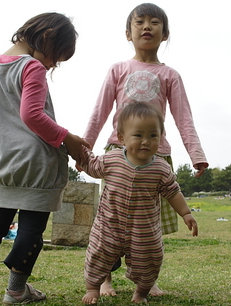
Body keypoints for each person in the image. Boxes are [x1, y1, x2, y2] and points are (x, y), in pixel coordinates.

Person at [0, 12, 90, 304]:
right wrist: (68, 138)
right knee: (31, 228)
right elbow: (32, 115)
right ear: (46, 38)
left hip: (3, 163)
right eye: (56, 57)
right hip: (36, 164)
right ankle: (17, 291)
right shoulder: (32, 67)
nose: (52, 64)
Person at [81, 3, 208, 297]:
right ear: (128, 33)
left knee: (149, 224)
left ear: (165, 34)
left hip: (156, 155)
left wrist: (196, 154)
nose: (147, 27)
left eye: (154, 23)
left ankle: (147, 280)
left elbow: (183, 117)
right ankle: (104, 279)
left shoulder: (170, 75)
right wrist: (83, 149)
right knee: (111, 220)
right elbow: (99, 112)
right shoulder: (118, 69)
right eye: (140, 22)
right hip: (118, 154)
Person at [80, 102, 198, 304]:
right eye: (138, 135)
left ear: (160, 138)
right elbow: (91, 165)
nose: (146, 141)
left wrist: (186, 213)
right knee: (99, 254)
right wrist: (77, 150)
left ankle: (141, 291)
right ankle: (93, 288)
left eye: (153, 135)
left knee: (150, 260)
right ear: (121, 138)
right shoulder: (111, 160)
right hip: (109, 225)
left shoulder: (160, 168)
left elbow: (173, 192)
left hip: (144, 230)